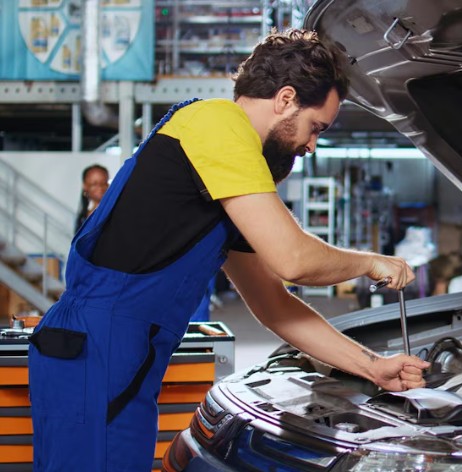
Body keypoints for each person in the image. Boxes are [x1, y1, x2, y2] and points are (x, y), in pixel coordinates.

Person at [27, 29, 429, 472]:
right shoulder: (218, 126)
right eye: (316, 127)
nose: (312, 146)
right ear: (285, 98)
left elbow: (275, 305)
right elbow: (293, 259)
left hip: (118, 357)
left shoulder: (230, 171)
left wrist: (373, 367)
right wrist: (369, 261)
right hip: (96, 353)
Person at [74, 164, 109, 232]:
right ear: (85, 186)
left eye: (103, 183)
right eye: (94, 184)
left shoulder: (114, 213)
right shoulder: (83, 218)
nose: (100, 187)